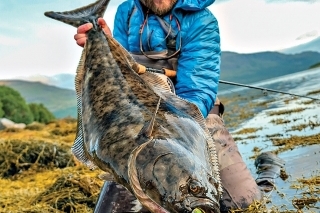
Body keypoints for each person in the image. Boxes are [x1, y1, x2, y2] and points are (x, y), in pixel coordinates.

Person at [74, 0, 284, 212]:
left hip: (190, 117)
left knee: (245, 205)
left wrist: (170, 137)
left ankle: (269, 169)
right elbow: (118, 75)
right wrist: (107, 43)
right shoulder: (126, 13)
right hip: (137, 120)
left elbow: (198, 92)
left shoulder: (202, 20)